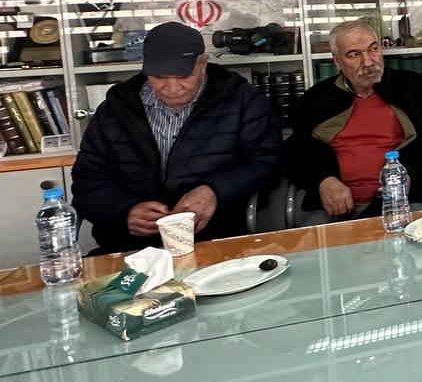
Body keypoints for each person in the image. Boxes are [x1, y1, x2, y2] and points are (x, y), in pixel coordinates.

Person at [71, 22, 282, 253]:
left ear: (202, 65)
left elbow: (268, 161)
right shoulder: (115, 110)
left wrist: (215, 191)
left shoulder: (241, 101)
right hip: (130, 247)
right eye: (159, 76)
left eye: (183, 76)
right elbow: (86, 180)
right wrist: (123, 211)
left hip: (216, 238)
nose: (171, 88)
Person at [287, 20, 422, 223]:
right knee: (313, 242)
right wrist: (323, 180)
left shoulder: (412, 87)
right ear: (337, 61)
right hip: (333, 207)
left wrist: (409, 173)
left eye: (373, 49)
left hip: (402, 201)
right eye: (354, 54)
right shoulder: (316, 98)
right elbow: (296, 150)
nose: (368, 62)